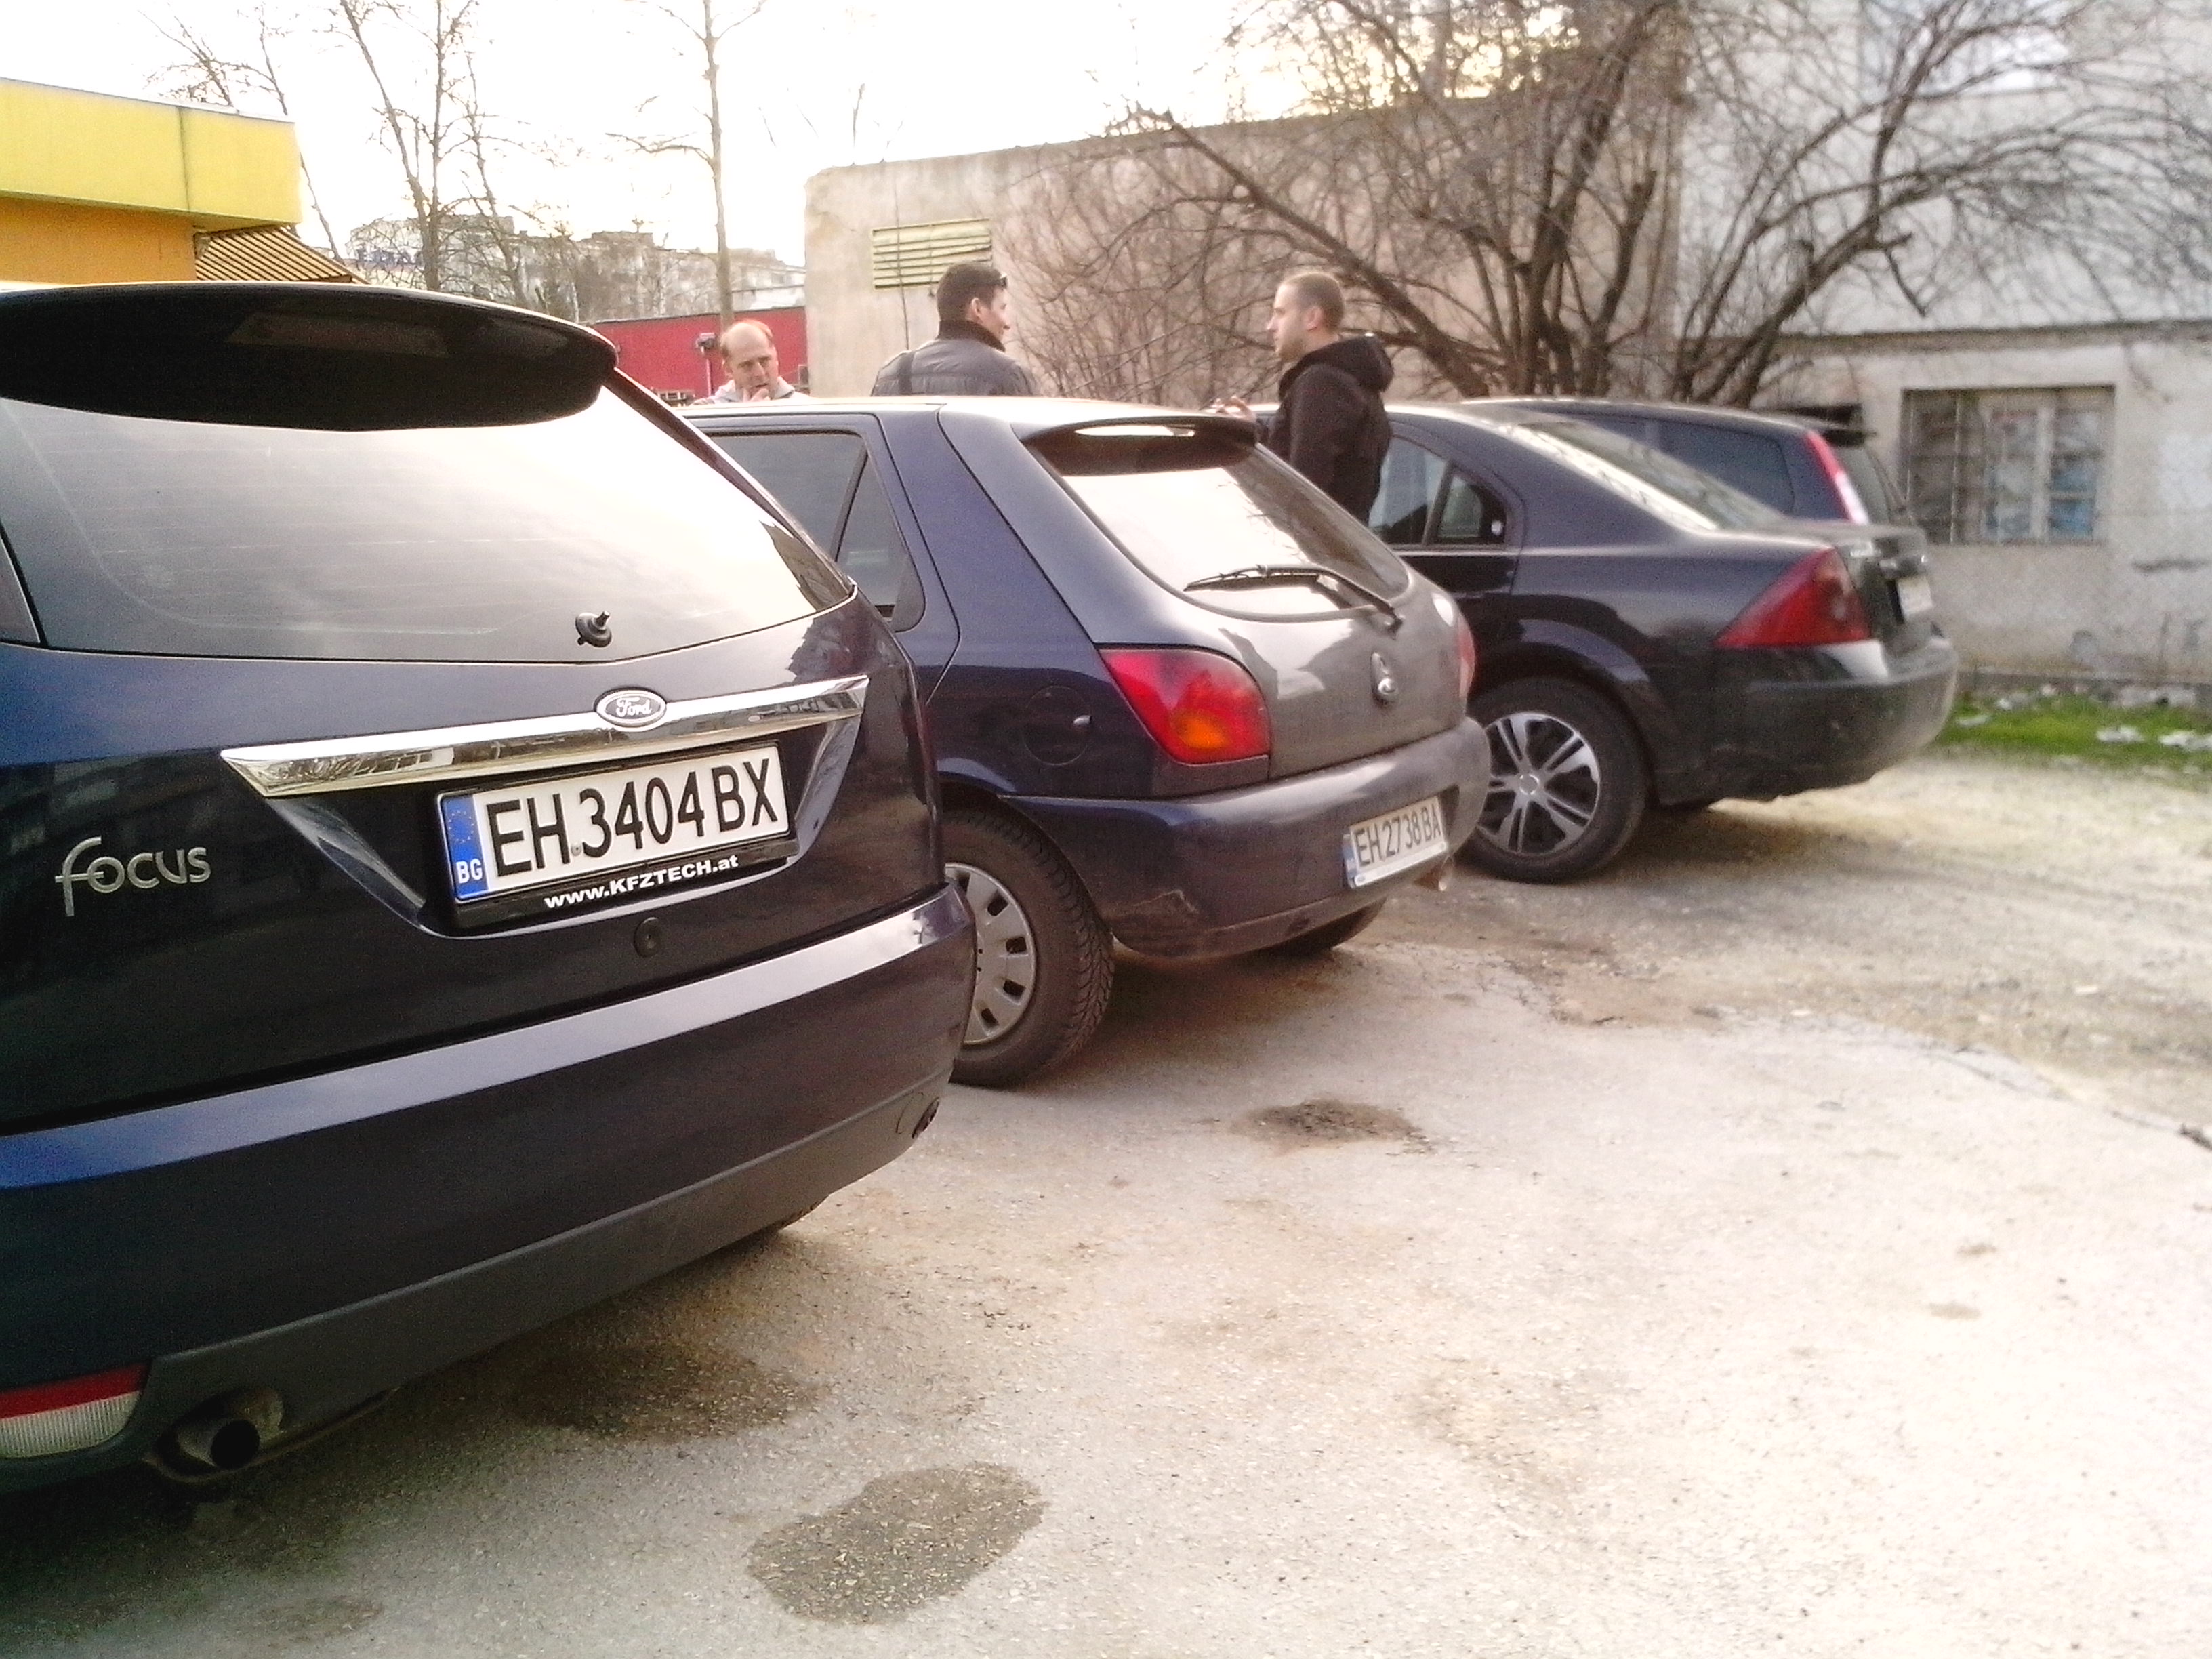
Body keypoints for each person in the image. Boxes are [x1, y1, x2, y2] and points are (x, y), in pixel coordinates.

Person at [1213, 270, 1393, 517]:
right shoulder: (1356, 381)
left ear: (1312, 318)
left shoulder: (1321, 384)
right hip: (1342, 538)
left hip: (1313, 540)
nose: (1270, 326)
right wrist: (1256, 432)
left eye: (1280, 313)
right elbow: (1318, 470)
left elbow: (1303, 490)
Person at [872, 262, 1039, 396]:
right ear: (977, 309)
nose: (1007, 323)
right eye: (1002, 308)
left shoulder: (893, 372)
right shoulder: (1009, 374)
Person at [708, 319, 809, 403]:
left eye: (764, 361)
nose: (760, 373)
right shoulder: (709, 413)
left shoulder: (807, 410)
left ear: (776, 357)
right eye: (747, 365)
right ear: (729, 370)